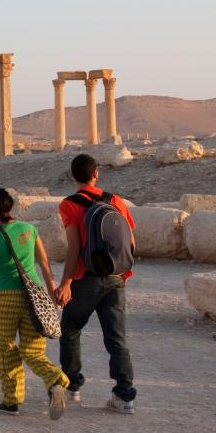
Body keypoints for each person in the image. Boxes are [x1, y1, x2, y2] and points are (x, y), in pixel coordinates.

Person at [55, 153, 137, 414]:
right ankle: (124, 396)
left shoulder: (69, 204)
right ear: (96, 173)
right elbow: (130, 242)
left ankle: (72, 386)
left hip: (84, 279)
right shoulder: (115, 200)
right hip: (115, 278)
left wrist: (65, 282)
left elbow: (74, 248)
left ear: (72, 176)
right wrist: (122, 272)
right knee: (117, 339)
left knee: (69, 330)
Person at [0, 187, 69, 419]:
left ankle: (11, 402)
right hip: (33, 295)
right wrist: (53, 291)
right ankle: (55, 380)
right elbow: (44, 264)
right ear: (11, 206)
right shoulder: (30, 230)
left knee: (6, 348)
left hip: (6, 297)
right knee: (33, 350)